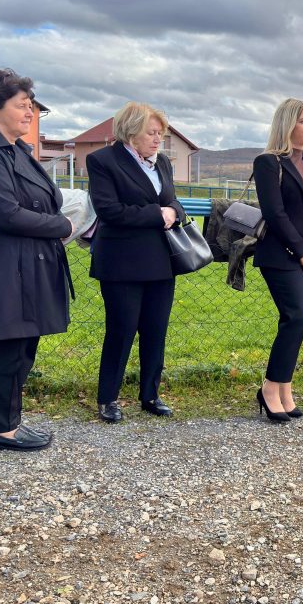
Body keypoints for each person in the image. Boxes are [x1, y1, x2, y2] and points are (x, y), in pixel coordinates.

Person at [0, 68, 74, 451]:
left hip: (30, 260)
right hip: (3, 263)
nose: (29, 112)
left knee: (24, 345)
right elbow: (5, 213)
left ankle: (9, 421)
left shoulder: (17, 150)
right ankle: (1, 429)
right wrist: (62, 226)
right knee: (7, 344)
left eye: (31, 106)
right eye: (22, 105)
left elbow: (42, 201)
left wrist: (55, 222)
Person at [86, 102, 186, 423]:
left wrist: (174, 212)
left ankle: (150, 395)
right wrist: (158, 215)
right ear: (131, 132)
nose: (158, 139)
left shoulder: (162, 163)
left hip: (161, 261)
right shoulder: (102, 160)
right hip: (122, 262)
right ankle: (108, 398)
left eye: (160, 133)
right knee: (121, 330)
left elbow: (172, 200)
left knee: (156, 330)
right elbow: (109, 210)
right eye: (151, 133)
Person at [252, 98, 303, 421]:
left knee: (300, 322)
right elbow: (274, 213)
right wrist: (301, 250)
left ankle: (284, 387)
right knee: (296, 317)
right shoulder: (268, 163)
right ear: (287, 124)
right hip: (280, 255)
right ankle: (270, 388)